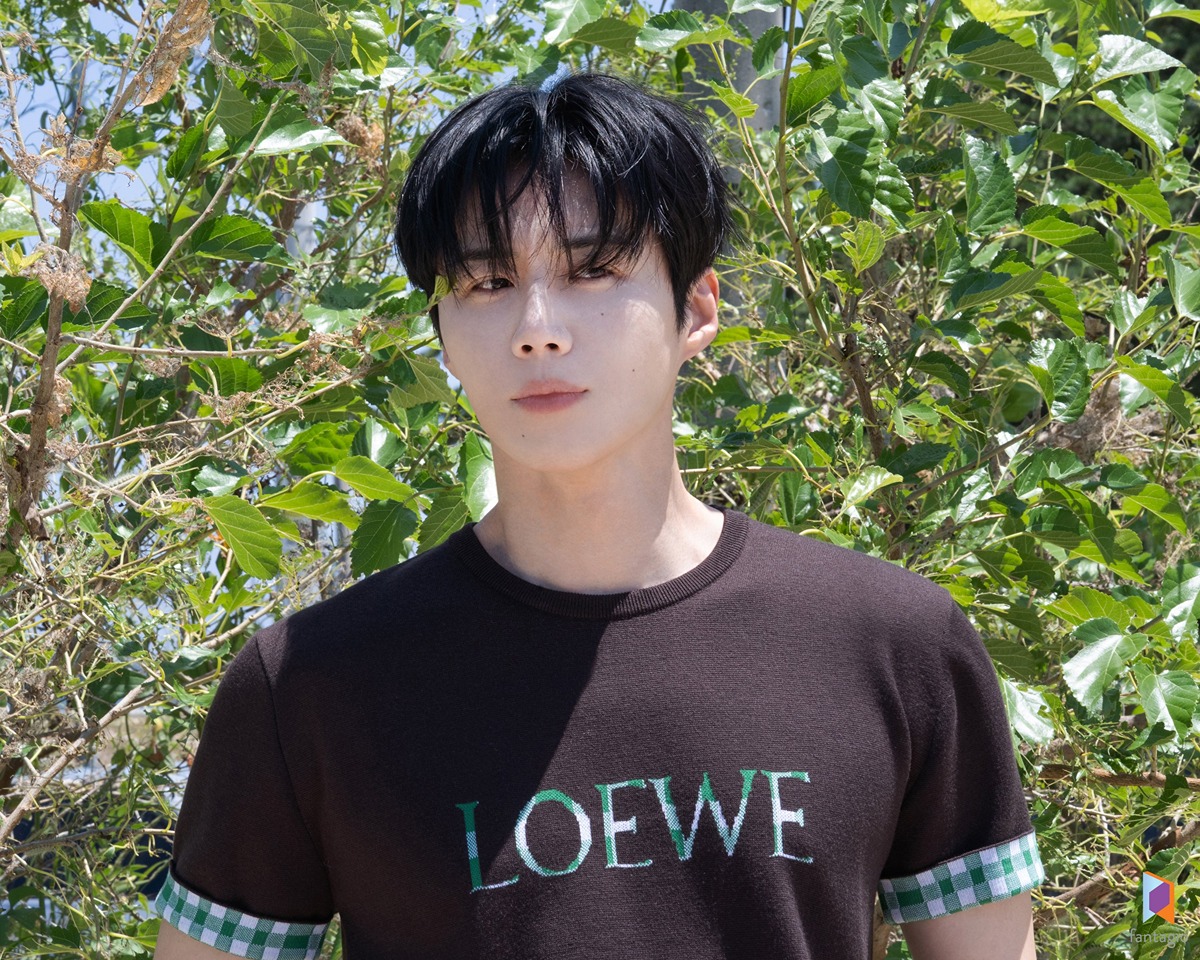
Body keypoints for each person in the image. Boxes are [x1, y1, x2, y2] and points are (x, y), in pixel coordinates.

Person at [152, 71, 1045, 960]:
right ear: (441, 331)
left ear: (697, 308)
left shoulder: (895, 643)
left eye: (594, 270)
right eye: (488, 281)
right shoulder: (308, 688)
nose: (537, 327)